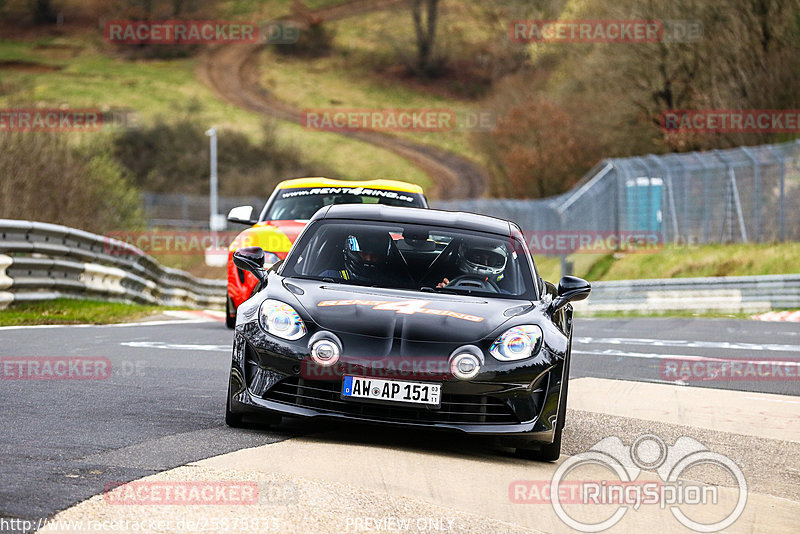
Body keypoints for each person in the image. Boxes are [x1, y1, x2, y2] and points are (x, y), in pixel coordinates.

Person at [319, 231, 395, 285]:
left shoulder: (394, 283)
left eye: (375, 255)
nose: (368, 259)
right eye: (364, 254)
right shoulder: (329, 278)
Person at [437, 239, 508, 290]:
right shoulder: (448, 287)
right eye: (477, 258)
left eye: (492, 261)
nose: (485, 264)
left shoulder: (506, 299)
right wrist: (441, 292)